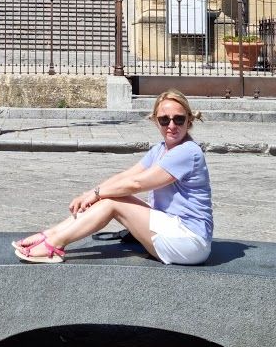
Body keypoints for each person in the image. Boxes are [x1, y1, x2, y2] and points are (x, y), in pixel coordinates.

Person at [13, 90, 212, 266]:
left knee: (112, 204)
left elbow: (137, 183)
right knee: (109, 197)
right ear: (155, 120)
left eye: (178, 119)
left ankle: (53, 246)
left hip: (190, 241)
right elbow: (126, 176)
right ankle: (49, 235)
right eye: (164, 120)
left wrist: (96, 194)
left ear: (189, 120)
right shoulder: (161, 149)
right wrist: (91, 193)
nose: (171, 125)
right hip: (171, 229)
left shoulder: (187, 152)